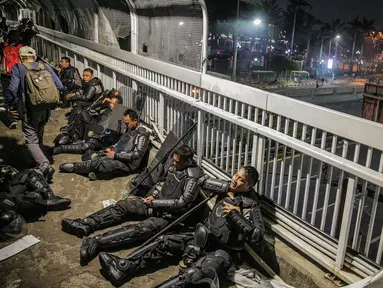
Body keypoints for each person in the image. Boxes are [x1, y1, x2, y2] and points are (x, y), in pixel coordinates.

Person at [98, 166, 264, 287]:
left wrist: (236, 214)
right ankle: (124, 267)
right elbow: (201, 181)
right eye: (236, 175)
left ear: (249, 186)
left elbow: (256, 234)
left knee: (194, 274)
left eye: (241, 180)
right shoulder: (228, 187)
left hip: (224, 252)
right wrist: (226, 186)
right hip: (202, 237)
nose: (236, 179)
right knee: (164, 241)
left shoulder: (251, 205)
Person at [61, 145, 203, 266]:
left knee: (142, 229)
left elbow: (182, 202)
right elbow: (162, 183)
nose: (174, 164)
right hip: (155, 204)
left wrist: (154, 202)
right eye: (174, 160)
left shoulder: (193, 176)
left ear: (187, 161)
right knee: (125, 205)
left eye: (177, 162)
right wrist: (153, 195)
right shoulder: (174, 168)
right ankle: (86, 223)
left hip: (170, 216)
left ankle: (96, 242)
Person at [5, 46, 63, 181]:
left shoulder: (18, 68)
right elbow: (59, 86)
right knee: (39, 131)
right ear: (35, 56)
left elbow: (13, 89)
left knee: (30, 138)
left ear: (20, 57)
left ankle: (43, 165)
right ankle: (39, 159)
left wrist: (10, 105)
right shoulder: (45, 67)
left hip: (30, 108)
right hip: (46, 107)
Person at [59, 109, 150, 180]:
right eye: (125, 123)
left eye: (128, 123)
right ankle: (97, 173)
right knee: (88, 156)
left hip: (128, 164)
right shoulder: (130, 128)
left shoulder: (142, 135)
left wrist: (115, 155)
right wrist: (111, 148)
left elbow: (136, 155)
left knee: (98, 163)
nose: (126, 126)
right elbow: (122, 142)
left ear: (135, 120)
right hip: (116, 155)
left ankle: (74, 167)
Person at [53, 94, 123, 155]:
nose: (111, 105)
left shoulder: (119, 116)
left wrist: (101, 136)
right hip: (94, 128)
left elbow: (113, 134)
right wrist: (101, 102)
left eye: (113, 104)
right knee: (81, 113)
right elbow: (93, 108)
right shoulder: (108, 108)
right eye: (110, 102)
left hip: (100, 139)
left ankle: (62, 149)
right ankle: (75, 138)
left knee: (87, 145)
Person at [0, 165, 71, 219]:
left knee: (27, 173)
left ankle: (50, 197)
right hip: (5, 202)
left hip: (7, 190)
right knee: (12, 199)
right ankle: (44, 204)